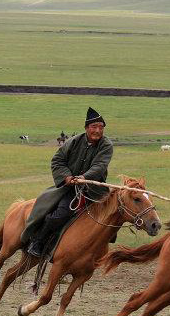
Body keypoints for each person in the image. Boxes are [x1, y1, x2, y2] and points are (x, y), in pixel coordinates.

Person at [21, 107, 113, 258]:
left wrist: (84, 177)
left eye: (101, 127)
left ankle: (98, 251)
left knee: (113, 215)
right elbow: (58, 161)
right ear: (86, 128)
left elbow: (100, 165)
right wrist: (67, 177)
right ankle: (38, 241)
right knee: (60, 214)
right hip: (71, 189)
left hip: (95, 190)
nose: (98, 130)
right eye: (94, 127)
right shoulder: (73, 142)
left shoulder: (106, 145)